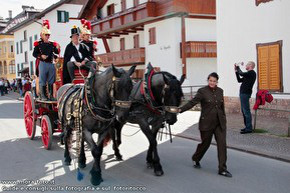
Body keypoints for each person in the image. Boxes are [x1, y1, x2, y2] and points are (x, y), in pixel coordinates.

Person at [179, 72, 232, 178]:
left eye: (214, 81)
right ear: (208, 80)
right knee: (205, 144)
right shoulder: (202, 91)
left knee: (222, 145)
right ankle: (196, 158)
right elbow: (192, 102)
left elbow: (221, 107)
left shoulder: (220, 91)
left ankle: (222, 169)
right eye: (210, 80)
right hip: (206, 123)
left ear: (217, 82)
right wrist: (180, 109)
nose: (212, 83)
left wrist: (224, 120)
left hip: (219, 123)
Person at [33, 19, 60, 101]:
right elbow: (34, 54)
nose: (48, 36)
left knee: (52, 80)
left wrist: (57, 48)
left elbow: (56, 52)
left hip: (51, 63)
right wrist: (41, 56)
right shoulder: (38, 44)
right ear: (42, 35)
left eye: (48, 35)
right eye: (46, 35)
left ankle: (51, 95)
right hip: (43, 63)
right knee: (43, 80)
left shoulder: (52, 44)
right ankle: (43, 96)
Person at [234, 61, 256, 134]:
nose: (245, 66)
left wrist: (237, 67)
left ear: (250, 65)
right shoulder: (248, 75)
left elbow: (242, 73)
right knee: (244, 111)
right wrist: (236, 71)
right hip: (243, 93)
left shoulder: (252, 73)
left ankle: (249, 128)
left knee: (246, 111)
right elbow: (239, 80)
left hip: (245, 93)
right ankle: (247, 127)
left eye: (247, 65)